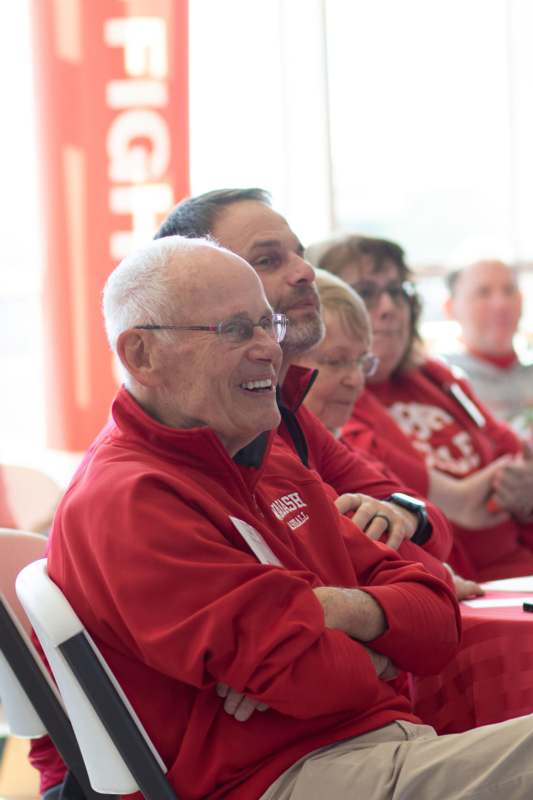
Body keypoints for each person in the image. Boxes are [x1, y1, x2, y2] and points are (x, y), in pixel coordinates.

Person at [38, 235, 533, 800]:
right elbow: (314, 679)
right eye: (232, 330)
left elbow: (437, 615)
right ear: (140, 356)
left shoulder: (260, 453)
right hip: (281, 778)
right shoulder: (129, 500)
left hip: (372, 748)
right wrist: (382, 646)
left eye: (264, 324)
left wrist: (340, 609)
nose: (269, 349)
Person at [154, 188, 452, 562]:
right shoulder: (215, 441)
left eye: (300, 254)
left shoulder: (289, 414)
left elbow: (434, 538)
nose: (305, 271)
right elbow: (409, 576)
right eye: (267, 260)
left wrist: (411, 517)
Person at [316, 234, 533, 581]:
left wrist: (521, 488)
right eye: (366, 293)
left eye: (398, 290)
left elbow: (514, 455)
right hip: (460, 587)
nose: (389, 307)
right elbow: (443, 502)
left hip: (517, 569)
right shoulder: (334, 402)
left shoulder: (434, 375)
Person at [291, 267, 509, 598]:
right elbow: (455, 508)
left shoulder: (433, 374)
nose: (354, 380)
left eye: (362, 362)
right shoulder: (337, 430)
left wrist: (411, 519)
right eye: (335, 362)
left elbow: (430, 521)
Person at [443, 257, 533, 436]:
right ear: (451, 308)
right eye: (483, 293)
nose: (501, 304)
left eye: (509, 291)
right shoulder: (441, 382)